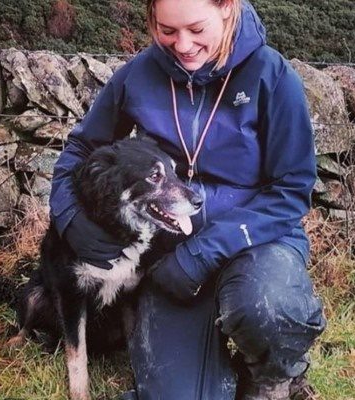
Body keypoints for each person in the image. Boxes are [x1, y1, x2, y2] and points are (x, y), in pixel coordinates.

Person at [49, 0, 326, 398]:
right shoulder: (138, 74)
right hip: (166, 258)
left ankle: (273, 375)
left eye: (196, 29)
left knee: (270, 306)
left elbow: (291, 191)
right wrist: (69, 216)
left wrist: (202, 253)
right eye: (167, 30)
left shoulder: (273, 76)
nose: (182, 45)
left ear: (227, 8)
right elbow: (80, 150)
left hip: (258, 239)